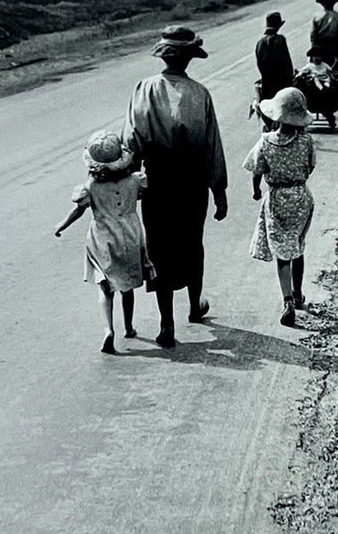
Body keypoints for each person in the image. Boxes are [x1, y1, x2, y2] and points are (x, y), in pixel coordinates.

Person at [124, 26, 228, 347]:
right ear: (188, 58)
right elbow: (212, 146)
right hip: (191, 180)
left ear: (164, 55)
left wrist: (128, 182)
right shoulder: (200, 94)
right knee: (191, 243)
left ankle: (166, 323)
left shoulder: (144, 89)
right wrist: (219, 191)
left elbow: (131, 141)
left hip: (156, 182)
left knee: (160, 248)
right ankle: (195, 307)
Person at [54, 130, 153, 355]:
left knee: (105, 288)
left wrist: (62, 224)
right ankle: (129, 327)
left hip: (102, 240)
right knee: (127, 287)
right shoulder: (134, 181)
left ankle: (109, 329)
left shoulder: (90, 187)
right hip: (130, 236)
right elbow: (144, 195)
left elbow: (78, 210)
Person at [244, 86, 317, 328]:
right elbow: (310, 166)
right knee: (297, 245)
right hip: (300, 197)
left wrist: (256, 190)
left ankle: (287, 300)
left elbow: (256, 168)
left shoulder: (266, 141)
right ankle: (298, 294)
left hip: (276, 200)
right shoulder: (306, 141)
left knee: (282, 253)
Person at [254, 11, 295, 106]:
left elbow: (259, 64)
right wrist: (290, 80)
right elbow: (287, 63)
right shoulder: (280, 40)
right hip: (282, 83)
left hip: (267, 84)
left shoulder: (260, 43)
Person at [309, 0, 338, 68]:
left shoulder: (316, 17)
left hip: (319, 48)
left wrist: (313, 52)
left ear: (322, 3)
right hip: (334, 48)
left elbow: (313, 36)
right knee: (334, 73)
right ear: (333, 2)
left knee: (319, 72)